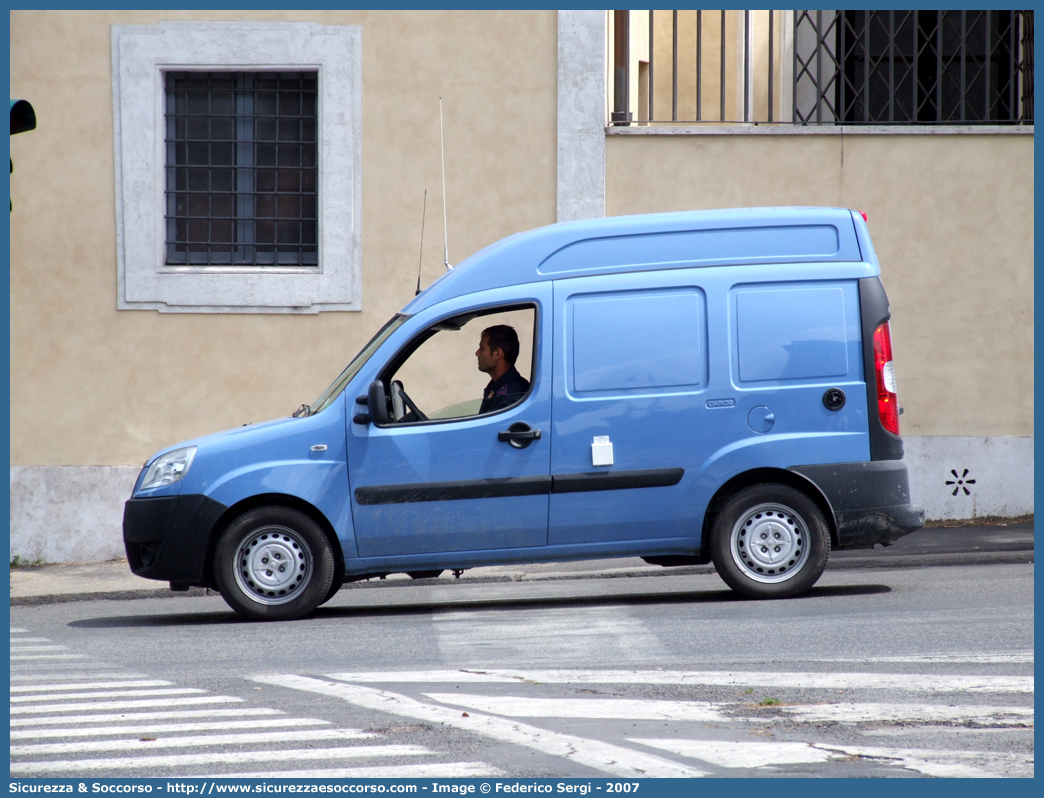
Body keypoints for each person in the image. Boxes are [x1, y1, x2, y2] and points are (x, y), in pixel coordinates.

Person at [476, 325, 530, 414]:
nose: (477, 353)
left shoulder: (511, 397)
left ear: (497, 354)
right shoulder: (497, 387)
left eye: (482, 348)